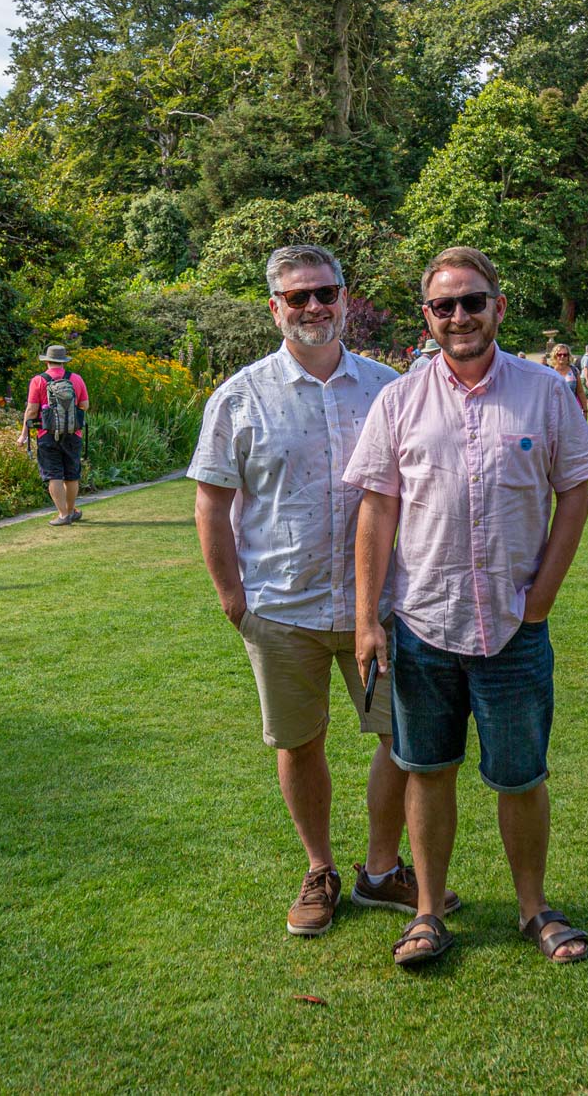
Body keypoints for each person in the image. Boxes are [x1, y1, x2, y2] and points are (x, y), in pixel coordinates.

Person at [347, 245, 588, 969]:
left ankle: (534, 908)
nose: (458, 316)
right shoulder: (399, 400)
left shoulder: (545, 392)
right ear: (426, 317)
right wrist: (369, 617)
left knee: (522, 776)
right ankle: (428, 912)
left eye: (472, 301)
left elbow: (576, 491)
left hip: (513, 626)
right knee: (427, 770)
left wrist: (541, 598)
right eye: (443, 305)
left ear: (498, 305)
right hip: (425, 622)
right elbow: (376, 510)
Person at [189, 244, 458, 939]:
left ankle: (377, 869)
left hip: (382, 604)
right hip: (282, 605)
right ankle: (319, 867)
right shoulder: (240, 396)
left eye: (325, 292)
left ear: (346, 296)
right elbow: (211, 502)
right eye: (297, 296)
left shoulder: (388, 388)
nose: (313, 306)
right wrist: (231, 595)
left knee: (403, 738)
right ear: (275, 307)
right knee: (299, 740)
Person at [25, 345, 90, 526]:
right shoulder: (76, 379)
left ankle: (63, 515)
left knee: (54, 474)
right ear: (64, 361)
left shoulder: (38, 380)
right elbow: (85, 405)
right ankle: (70, 511)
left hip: (47, 434)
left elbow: (32, 410)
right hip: (72, 432)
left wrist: (23, 434)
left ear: (46, 361)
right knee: (71, 475)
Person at [547, 344, 583, 411]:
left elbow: (580, 392)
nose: (562, 356)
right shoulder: (549, 372)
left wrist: (585, 410)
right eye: (559, 354)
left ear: (568, 356)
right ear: (555, 356)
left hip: (572, 411)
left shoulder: (574, 371)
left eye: (565, 355)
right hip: (553, 412)